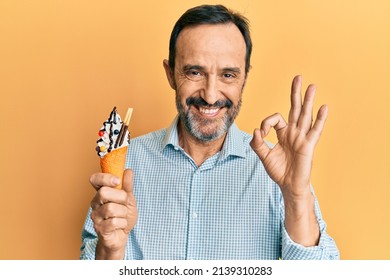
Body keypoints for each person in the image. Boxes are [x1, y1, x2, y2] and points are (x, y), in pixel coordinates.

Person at [81, 4, 339, 260]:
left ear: (244, 79)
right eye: (195, 72)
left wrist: (296, 197)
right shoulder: (126, 162)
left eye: (228, 75)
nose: (211, 95)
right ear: (170, 73)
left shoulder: (280, 174)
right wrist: (111, 249)